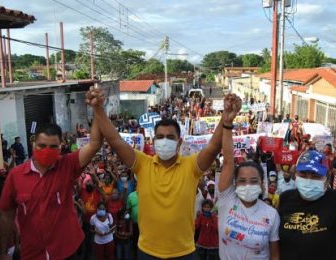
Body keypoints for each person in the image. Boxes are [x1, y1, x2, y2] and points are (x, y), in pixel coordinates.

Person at [91, 86, 242, 259]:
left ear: (179, 142)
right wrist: (98, 108)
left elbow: (214, 146)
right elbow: (115, 140)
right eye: (160, 137)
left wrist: (226, 117)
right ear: (154, 141)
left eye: (170, 137)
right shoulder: (142, 163)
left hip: (184, 253)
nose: (164, 141)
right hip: (147, 252)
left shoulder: (191, 166)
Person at [0, 89, 105, 260]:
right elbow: (6, 215)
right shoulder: (15, 176)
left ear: (61, 146)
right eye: (42, 146)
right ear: (33, 145)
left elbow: (95, 143)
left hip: (66, 250)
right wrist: (3, 252)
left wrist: (97, 108)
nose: (47, 151)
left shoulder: (68, 165)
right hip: (33, 253)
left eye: (53, 147)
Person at [217, 98, 280, 260]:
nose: (247, 185)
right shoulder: (227, 199)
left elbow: (274, 255)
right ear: (234, 183)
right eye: (242, 181)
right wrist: (227, 122)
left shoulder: (271, 214)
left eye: (253, 181)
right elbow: (229, 161)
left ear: (262, 183)